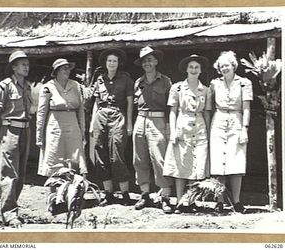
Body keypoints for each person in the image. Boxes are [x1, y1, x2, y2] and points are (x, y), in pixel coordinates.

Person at [163, 54, 212, 214]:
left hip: (199, 129)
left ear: (200, 70)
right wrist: (173, 130)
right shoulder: (177, 88)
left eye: (196, 67)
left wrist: (209, 132)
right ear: (186, 69)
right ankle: (178, 201)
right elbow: (172, 111)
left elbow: (206, 113)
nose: (193, 70)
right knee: (181, 165)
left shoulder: (205, 90)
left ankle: (190, 201)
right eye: (191, 67)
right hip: (182, 127)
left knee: (196, 166)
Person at [0, 50, 32, 228]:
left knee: (21, 175)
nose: (26, 67)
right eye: (22, 64)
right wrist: (0, 134)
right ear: (13, 67)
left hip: (25, 131)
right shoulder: (4, 86)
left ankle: (3, 213)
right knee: (9, 174)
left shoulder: (28, 86)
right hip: (10, 131)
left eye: (27, 64)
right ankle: (10, 214)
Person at [89, 48, 134, 206]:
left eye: (114, 61)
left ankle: (125, 193)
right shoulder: (100, 79)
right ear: (105, 63)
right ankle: (108, 193)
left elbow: (129, 103)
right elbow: (96, 103)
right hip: (100, 117)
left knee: (117, 152)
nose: (112, 63)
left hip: (118, 116)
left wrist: (129, 123)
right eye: (109, 61)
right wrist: (92, 124)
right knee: (100, 152)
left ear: (118, 63)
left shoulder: (126, 79)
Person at [210, 51, 253, 213]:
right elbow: (209, 105)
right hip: (218, 122)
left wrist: (245, 129)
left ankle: (236, 201)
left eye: (227, 65)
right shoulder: (215, 84)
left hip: (236, 121)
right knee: (218, 163)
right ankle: (219, 201)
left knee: (236, 162)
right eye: (221, 66)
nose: (224, 68)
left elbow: (247, 108)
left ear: (233, 66)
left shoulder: (244, 83)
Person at [132, 46, 173, 214]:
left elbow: (171, 106)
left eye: (150, 59)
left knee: (159, 158)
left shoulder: (166, 81)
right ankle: (145, 194)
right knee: (139, 158)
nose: (147, 63)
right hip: (140, 120)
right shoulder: (138, 82)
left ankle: (165, 196)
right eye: (144, 61)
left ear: (156, 61)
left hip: (159, 120)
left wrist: (169, 126)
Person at [36, 58, 87, 182]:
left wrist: (82, 130)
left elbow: (80, 110)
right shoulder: (48, 87)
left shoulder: (75, 85)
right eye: (64, 68)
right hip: (55, 126)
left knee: (74, 158)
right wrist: (39, 135)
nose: (67, 71)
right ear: (57, 71)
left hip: (73, 126)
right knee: (55, 158)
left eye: (68, 68)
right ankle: (55, 196)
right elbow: (41, 112)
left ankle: (73, 193)